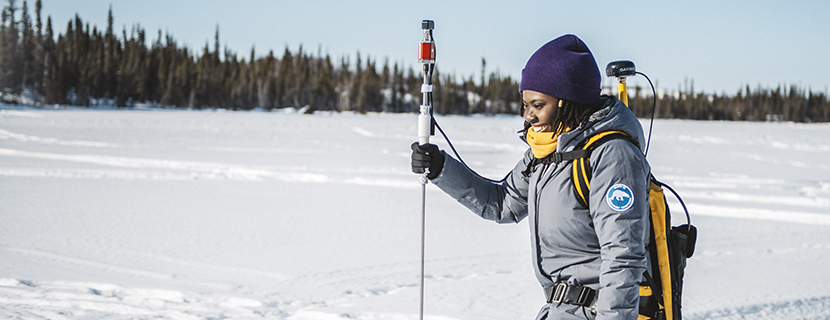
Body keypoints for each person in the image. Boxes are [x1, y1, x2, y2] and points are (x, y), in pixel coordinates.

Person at [410, 34, 651, 320]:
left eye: (538, 105)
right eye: (526, 105)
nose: (528, 116)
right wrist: (441, 169)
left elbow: (622, 256)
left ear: (566, 101)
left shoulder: (612, 156)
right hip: (558, 311)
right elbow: (502, 204)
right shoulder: (545, 153)